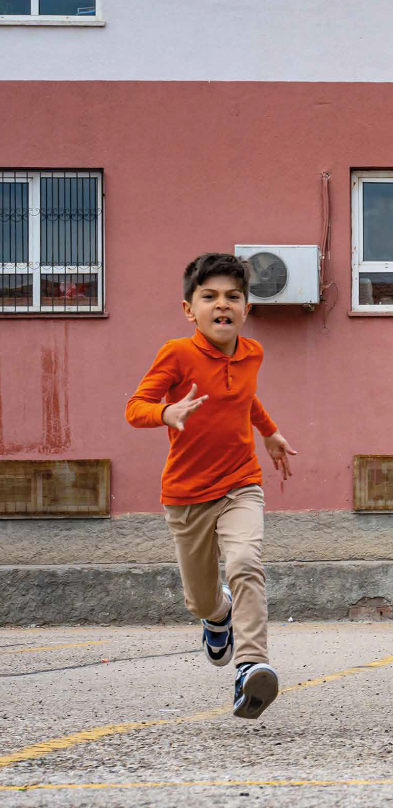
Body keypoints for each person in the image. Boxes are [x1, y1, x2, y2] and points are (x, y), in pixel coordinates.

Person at [125, 252, 297, 719]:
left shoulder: (252, 353)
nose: (222, 305)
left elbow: (246, 398)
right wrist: (167, 411)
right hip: (186, 496)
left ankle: (251, 668)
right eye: (210, 297)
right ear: (190, 309)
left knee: (245, 562)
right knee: (201, 597)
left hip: (241, 483)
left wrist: (271, 433)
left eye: (233, 297)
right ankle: (216, 617)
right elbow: (135, 406)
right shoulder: (176, 353)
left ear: (247, 308)